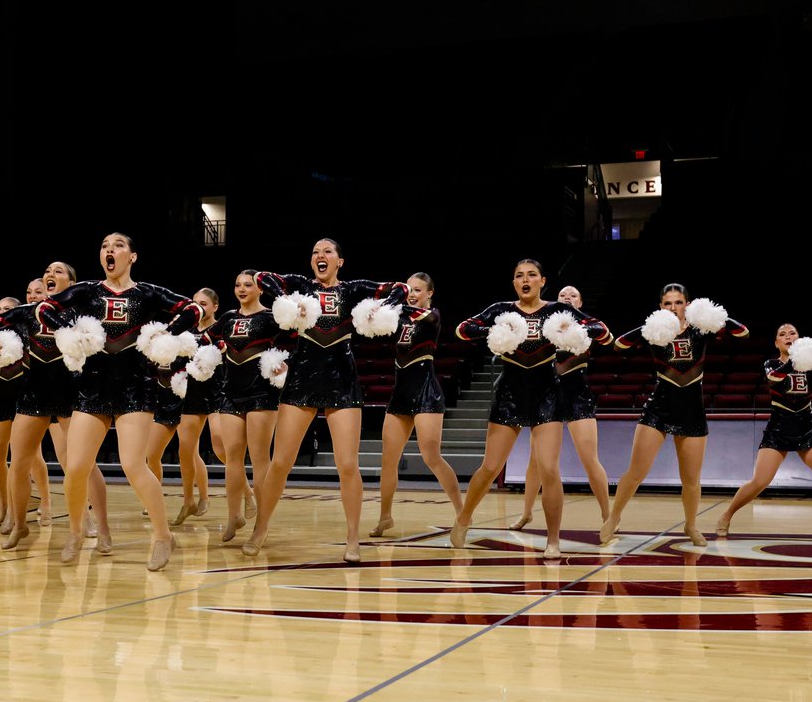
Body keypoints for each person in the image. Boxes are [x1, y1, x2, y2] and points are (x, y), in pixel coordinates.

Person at [36, 232, 203, 570]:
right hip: (93, 387)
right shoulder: (87, 291)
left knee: (132, 464)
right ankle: (76, 530)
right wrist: (70, 329)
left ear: (133, 256)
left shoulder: (146, 292)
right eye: (104, 246)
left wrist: (165, 334)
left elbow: (192, 309)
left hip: (134, 388)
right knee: (76, 466)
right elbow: (45, 308)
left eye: (118, 246)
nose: (110, 250)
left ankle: (161, 535)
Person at [241, 238, 409, 563]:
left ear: (340, 261)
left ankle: (352, 538)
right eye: (316, 252)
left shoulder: (353, 289)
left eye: (327, 251)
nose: (321, 255)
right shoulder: (303, 286)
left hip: (341, 378)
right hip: (302, 376)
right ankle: (260, 529)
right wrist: (287, 298)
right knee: (281, 463)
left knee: (347, 465)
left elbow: (400, 288)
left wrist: (379, 308)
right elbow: (262, 277)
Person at [447, 259, 610, 558]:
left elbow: (602, 331)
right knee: (490, 467)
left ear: (542, 281)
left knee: (549, 469)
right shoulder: (502, 309)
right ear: (514, 283)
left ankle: (553, 540)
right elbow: (462, 330)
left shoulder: (556, 311)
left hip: (547, 394)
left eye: (531, 275)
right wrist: (495, 333)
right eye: (519, 275)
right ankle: (464, 517)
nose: (525, 279)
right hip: (510, 394)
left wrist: (575, 333)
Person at [0, 263, 112, 551]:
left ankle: (100, 526)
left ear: (72, 281)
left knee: (81, 465)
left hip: (72, 397)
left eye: (58, 271)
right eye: (47, 270)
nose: (50, 274)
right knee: (19, 463)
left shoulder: (81, 312)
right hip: (33, 396)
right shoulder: (28, 314)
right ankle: (20, 525)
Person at [599, 282, 749, 547]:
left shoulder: (701, 330)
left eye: (678, 302)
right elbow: (619, 345)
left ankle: (691, 525)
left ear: (687, 305)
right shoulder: (655, 332)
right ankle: (614, 517)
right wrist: (648, 326)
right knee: (636, 471)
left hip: (692, 410)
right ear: (660, 307)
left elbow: (743, 333)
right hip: (659, 408)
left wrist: (711, 315)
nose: (673, 307)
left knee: (690, 479)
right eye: (667, 303)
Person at [715, 323, 812, 541]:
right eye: (782, 334)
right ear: (776, 343)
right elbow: (774, 378)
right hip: (778, 430)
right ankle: (727, 515)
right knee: (759, 482)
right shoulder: (771, 364)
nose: (788, 336)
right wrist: (798, 358)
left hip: (807, 428)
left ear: (800, 338)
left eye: (792, 333)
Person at [511, 285, 613, 531]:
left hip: (577, 396)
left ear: (580, 303)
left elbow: (604, 335)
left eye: (573, 295)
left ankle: (608, 516)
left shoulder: (586, 326)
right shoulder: (544, 329)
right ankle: (526, 513)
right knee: (535, 462)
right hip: (547, 397)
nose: (567, 298)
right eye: (562, 295)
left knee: (590, 460)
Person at [369, 272, 463, 537]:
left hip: (426, 392)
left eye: (418, 290)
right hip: (400, 393)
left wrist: (395, 301)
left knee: (431, 457)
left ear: (430, 293)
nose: (412, 293)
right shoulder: (399, 317)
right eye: (409, 289)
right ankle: (385, 516)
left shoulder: (432, 315)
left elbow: (421, 316)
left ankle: (461, 512)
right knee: (388, 460)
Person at [206, 270, 282, 543]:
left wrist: (284, 364)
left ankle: (261, 524)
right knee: (231, 459)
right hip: (230, 392)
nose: (241, 289)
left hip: (261, 394)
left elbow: (295, 344)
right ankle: (233, 516)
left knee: (261, 460)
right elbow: (206, 339)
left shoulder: (272, 317)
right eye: (237, 284)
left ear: (260, 289)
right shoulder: (227, 318)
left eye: (248, 284)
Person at [0, 283, 54, 529]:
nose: (1, 313)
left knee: (31, 457)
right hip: (0, 399)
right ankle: (3, 506)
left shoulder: (29, 327)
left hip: (25, 399)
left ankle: (46, 503)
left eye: (7, 309)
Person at [144, 287, 219, 525]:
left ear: (215, 306)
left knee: (195, 449)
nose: (199, 307)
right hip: (171, 397)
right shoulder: (183, 330)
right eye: (195, 302)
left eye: (204, 303)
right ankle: (157, 499)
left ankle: (204, 497)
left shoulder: (219, 329)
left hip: (205, 397)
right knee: (153, 453)